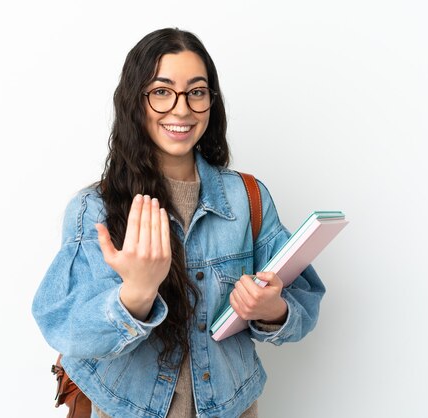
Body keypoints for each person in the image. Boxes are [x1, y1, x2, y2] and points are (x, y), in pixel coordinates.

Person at [32, 28, 325, 418]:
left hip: (233, 408)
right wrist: (135, 295)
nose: (182, 109)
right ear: (135, 102)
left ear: (211, 102)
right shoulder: (94, 208)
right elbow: (64, 328)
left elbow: (303, 301)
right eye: (162, 91)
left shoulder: (247, 198)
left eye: (197, 92)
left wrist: (272, 310)